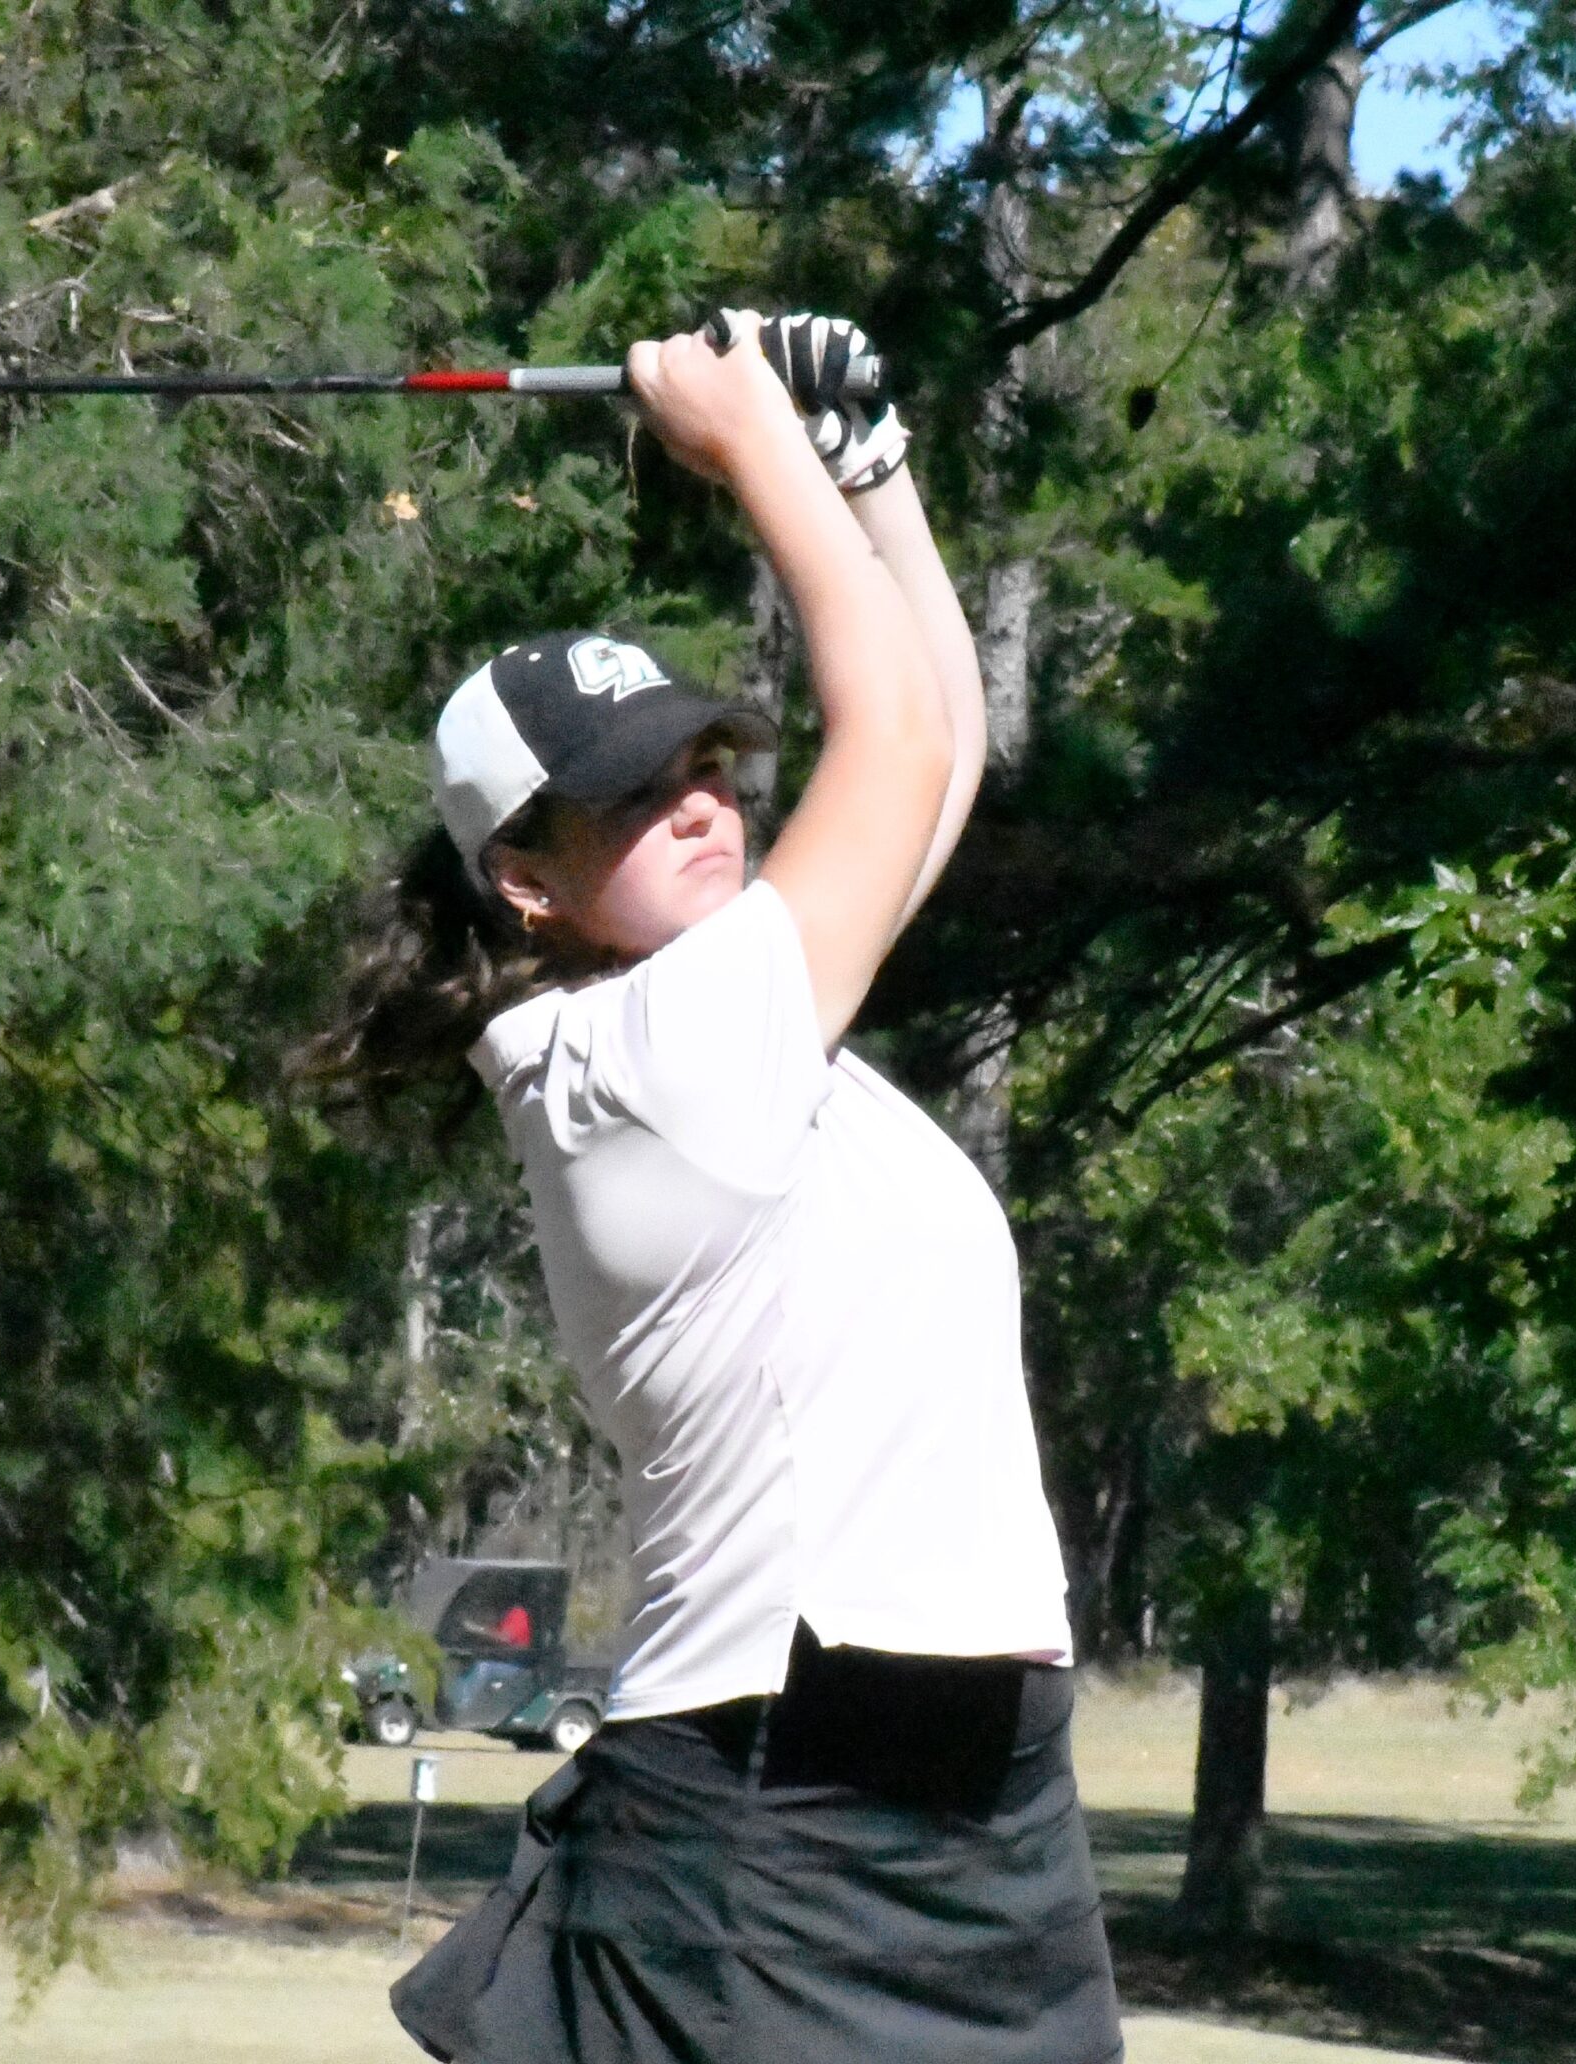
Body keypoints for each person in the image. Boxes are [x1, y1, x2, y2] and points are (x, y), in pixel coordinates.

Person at [314, 312, 1122, 2064]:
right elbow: (895, 748)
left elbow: (941, 757)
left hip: (970, 1791)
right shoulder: (644, 1067)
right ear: (523, 881)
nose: (697, 808)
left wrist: (869, 465)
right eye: (630, 798)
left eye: (702, 768)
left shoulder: (760, 1021)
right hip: (781, 1800)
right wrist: (751, 443)